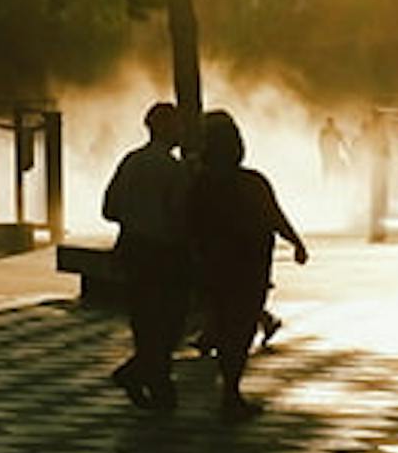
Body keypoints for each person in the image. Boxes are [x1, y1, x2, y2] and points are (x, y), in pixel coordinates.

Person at [189, 110, 309, 418]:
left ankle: (230, 390)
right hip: (249, 267)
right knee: (239, 330)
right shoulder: (251, 182)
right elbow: (274, 216)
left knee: (227, 325)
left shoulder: (200, 183)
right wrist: (296, 242)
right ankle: (231, 392)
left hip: (216, 267)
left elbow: (190, 225)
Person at [105, 102, 191, 410]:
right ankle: (145, 376)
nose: (181, 131)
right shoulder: (172, 169)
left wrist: (134, 217)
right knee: (170, 320)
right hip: (163, 253)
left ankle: (154, 381)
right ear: (166, 127)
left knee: (145, 320)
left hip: (132, 249)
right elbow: (180, 216)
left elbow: (109, 208)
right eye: (177, 125)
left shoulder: (131, 162)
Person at [318, 116, 351, 183]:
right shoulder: (324, 131)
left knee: (332, 168)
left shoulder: (335, 131)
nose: (330, 124)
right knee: (327, 169)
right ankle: (325, 183)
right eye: (329, 123)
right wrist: (322, 151)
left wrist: (348, 151)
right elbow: (320, 142)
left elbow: (342, 142)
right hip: (327, 153)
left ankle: (331, 182)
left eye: (331, 123)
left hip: (333, 153)